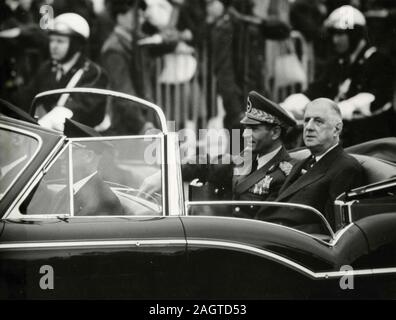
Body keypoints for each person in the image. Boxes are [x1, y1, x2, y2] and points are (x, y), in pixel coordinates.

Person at [282, 5, 395, 147]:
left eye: (341, 34)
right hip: (342, 140)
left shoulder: (378, 61)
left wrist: (330, 112)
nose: (335, 40)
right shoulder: (337, 63)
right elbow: (316, 90)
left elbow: (371, 100)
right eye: (334, 34)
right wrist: (287, 107)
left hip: (374, 143)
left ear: (355, 35)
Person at [182, 91, 297, 218]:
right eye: (246, 128)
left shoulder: (287, 174)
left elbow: (268, 224)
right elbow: (211, 165)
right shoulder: (246, 158)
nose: (244, 134)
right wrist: (170, 172)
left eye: (253, 129)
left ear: (275, 132)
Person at [261, 98, 365, 232]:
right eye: (306, 120)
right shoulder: (304, 162)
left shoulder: (346, 168)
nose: (309, 127)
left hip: (291, 242)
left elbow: (332, 229)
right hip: (269, 232)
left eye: (318, 121)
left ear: (337, 129)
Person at [17, 12, 109, 131]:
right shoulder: (46, 68)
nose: (53, 46)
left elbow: (77, 111)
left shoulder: (94, 74)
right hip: (46, 139)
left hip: (79, 145)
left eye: (60, 41)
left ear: (77, 45)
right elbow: (25, 99)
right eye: (51, 41)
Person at [101, 0, 154, 135]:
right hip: (125, 126)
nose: (140, 20)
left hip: (141, 120)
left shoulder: (135, 42)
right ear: (120, 16)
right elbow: (124, 95)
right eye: (136, 15)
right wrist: (142, 125)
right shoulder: (114, 49)